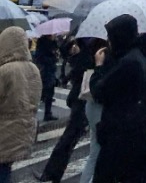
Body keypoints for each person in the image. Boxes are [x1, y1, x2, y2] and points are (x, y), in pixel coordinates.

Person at [90, 14, 146, 183]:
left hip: (122, 137)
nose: (108, 41)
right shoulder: (138, 57)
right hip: (136, 134)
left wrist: (98, 67)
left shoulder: (129, 63)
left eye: (110, 36)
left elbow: (100, 91)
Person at [35, 38, 94, 183]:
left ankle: (51, 174)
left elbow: (79, 69)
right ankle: (51, 174)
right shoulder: (89, 47)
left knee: (69, 139)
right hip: (83, 100)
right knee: (70, 139)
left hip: (85, 100)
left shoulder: (94, 51)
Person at [0, 26, 43, 183]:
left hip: (3, 129)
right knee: (6, 166)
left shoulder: (6, 70)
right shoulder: (33, 69)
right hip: (22, 129)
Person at [79, 39, 108, 183]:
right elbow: (101, 86)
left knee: (95, 152)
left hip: (91, 104)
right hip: (98, 105)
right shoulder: (103, 53)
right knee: (103, 153)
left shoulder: (90, 46)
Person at [35, 33, 59, 122]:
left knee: (50, 92)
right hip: (45, 70)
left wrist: (55, 54)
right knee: (45, 90)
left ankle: (48, 113)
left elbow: (56, 52)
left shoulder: (53, 42)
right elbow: (39, 57)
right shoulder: (42, 43)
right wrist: (52, 58)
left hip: (51, 70)